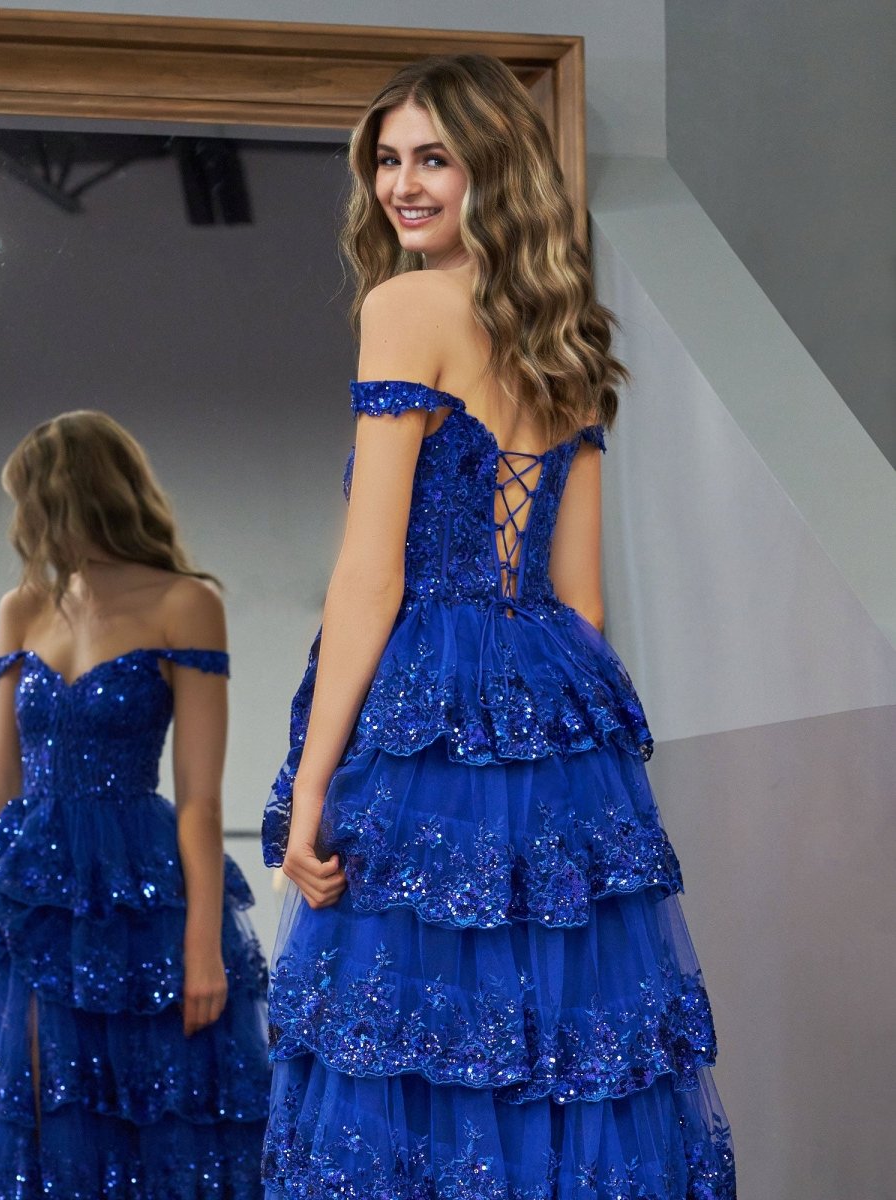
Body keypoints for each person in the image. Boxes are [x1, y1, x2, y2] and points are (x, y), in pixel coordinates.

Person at [262, 54, 736, 1200]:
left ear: (493, 168)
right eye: (387, 160)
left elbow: (369, 578)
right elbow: (583, 602)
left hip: (429, 709)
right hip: (557, 709)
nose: (402, 185)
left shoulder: (404, 307)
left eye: (434, 158)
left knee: (408, 1043)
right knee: (559, 1045)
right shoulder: (566, 335)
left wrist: (311, 785)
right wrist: (563, 753)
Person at [0, 411, 269, 1197]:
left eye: (30, 502)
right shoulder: (21, 610)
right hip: (36, 895)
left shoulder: (185, 603)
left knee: (153, 1110)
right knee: (42, 1106)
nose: (23, 525)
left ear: (71, 497)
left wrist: (203, 944)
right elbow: (2, 787)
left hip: (139, 891)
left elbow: (201, 799)